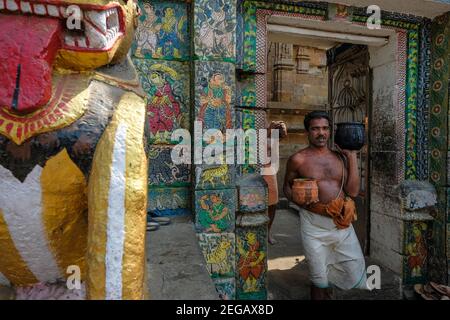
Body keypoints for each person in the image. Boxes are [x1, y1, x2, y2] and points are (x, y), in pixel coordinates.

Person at [283, 111, 368, 300]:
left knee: (353, 267)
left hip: (341, 224)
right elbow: (286, 188)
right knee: (318, 276)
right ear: (308, 131)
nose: (321, 133)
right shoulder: (299, 159)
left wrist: (352, 155)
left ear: (330, 131)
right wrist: (304, 204)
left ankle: (331, 291)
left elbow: (353, 191)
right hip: (313, 226)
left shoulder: (341, 158)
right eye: (315, 129)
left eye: (325, 128)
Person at [263, 121, 288, 245]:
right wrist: (268, 132)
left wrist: (282, 130)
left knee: (272, 203)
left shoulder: (271, 124)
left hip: (270, 170)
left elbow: (281, 138)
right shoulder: (250, 122)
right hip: (255, 168)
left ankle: (268, 232)